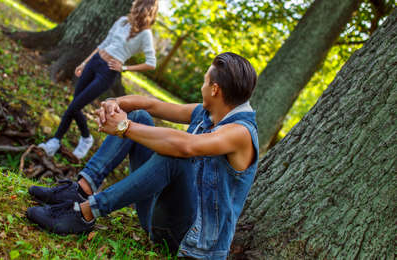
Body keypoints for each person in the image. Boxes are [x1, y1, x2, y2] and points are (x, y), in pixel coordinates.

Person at [27, 52, 259, 259]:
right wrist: (114, 104)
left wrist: (124, 127)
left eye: (205, 81)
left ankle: (86, 213)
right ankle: (82, 189)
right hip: (157, 215)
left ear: (215, 89)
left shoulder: (240, 133)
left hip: (189, 242)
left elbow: (186, 146)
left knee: (175, 158)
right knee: (139, 116)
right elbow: (153, 105)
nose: (202, 86)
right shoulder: (207, 113)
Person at [38, 0, 159, 159]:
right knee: (75, 104)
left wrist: (124, 68)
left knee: (74, 106)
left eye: (136, 2)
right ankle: (84, 138)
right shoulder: (122, 21)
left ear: (142, 7)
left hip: (108, 72)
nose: (132, 3)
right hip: (95, 62)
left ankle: (56, 142)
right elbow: (104, 43)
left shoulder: (145, 34)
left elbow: (151, 63)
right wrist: (84, 62)